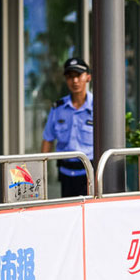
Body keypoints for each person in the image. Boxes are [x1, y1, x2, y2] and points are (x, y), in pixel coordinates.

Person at [41, 57, 93, 197]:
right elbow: (48, 139)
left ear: (88, 77)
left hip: (90, 175)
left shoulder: (98, 107)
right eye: (70, 77)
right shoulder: (58, 108)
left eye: (78, 76)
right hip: (66, 174)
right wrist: (41, 173)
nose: (74, 81)